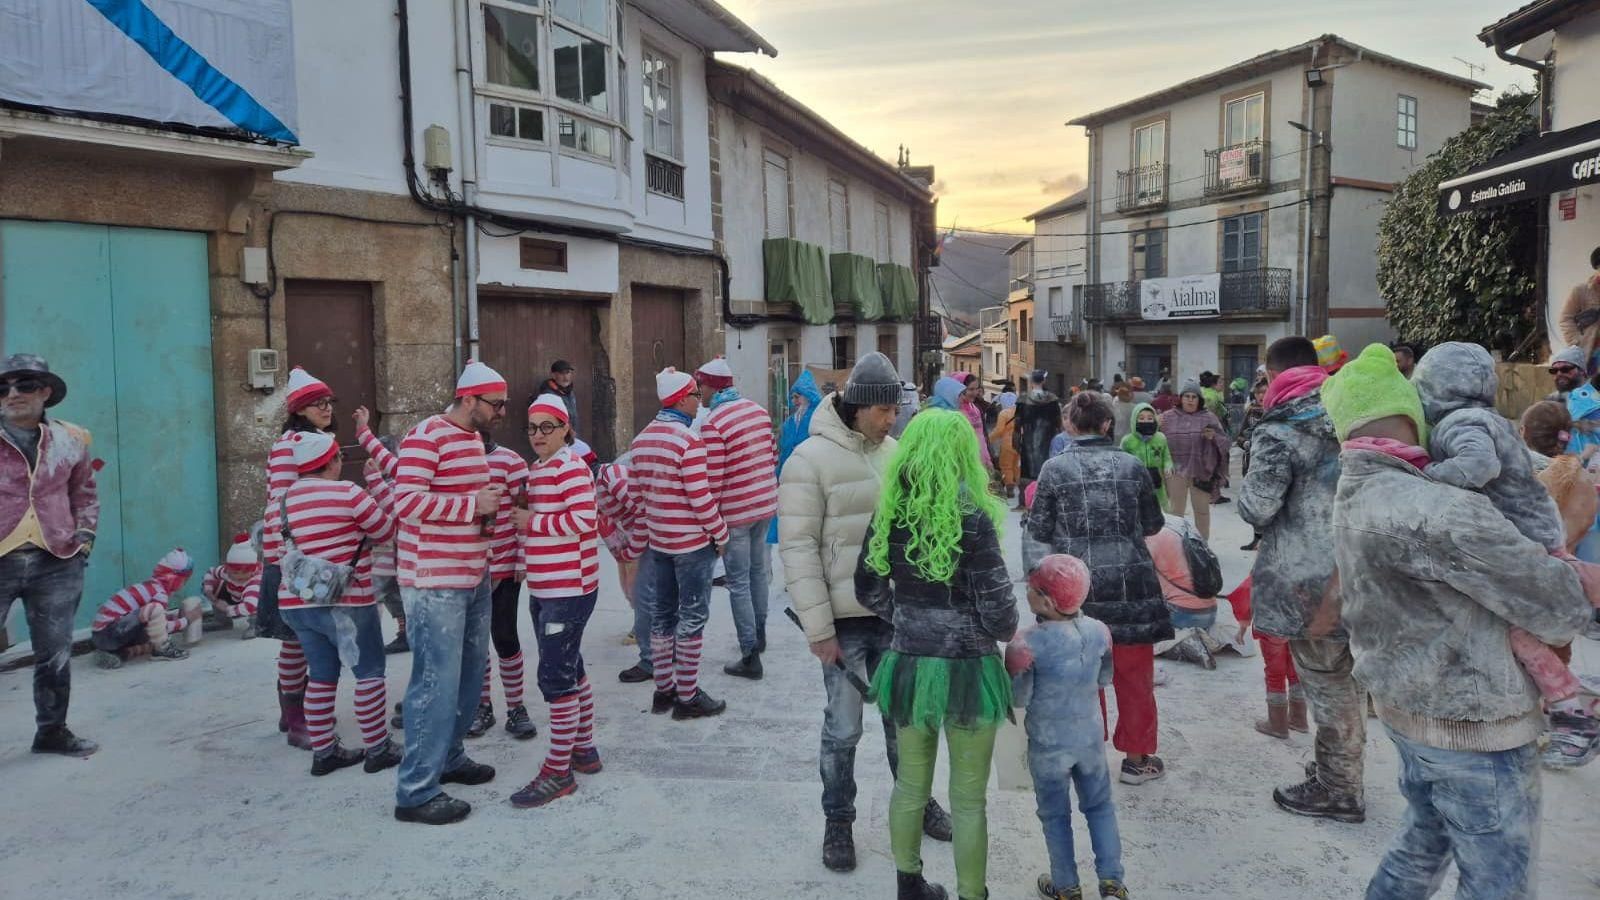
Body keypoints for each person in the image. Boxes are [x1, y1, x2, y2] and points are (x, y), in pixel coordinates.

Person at [1322, 343, 1590, 899]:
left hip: (1403, 705)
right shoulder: (1443, 509)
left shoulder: (1355, 490)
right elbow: (1560, 610)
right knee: (1498, 879)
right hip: (1473, 726)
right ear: (1413, 415)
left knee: (1424, 838)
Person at [779, 351, 951, 873]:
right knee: (844, 729)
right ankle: (839, 821)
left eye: (895, 411)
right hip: (843, 623)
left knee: (908, 722)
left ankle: (917, 802)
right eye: (883, 411)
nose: (891, 419)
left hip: (897, 618)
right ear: (858, 407)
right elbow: (797, 549)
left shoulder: (895, 453)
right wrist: (818, 630)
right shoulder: (807, 461)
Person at [855, 409, 1017, 900]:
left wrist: (904, 615)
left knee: (910, 787)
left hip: (908, 665)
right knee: (968, 800)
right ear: (962, 455)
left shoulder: (891, 513)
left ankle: (909, 885)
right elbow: (1002, 616)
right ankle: (973, 893)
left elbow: (866, 588)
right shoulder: (974, 519)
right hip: (970, 670)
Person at [1413, 343, 1600, 761]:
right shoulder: (1484, 418)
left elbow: (1477, 468)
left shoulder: (1463, 422)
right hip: (1530, 532)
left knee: (1518, 630)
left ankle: (1572, 713)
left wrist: (1423, 477)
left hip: (1522, 539)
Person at [1235, 336, 1361, 821]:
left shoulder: (1282, 428)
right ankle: (1342, 769)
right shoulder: (1354, 410)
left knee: (1327, 681)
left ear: (1273, 374)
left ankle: (1339, 788)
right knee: (1352, 678)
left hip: (1311, 578)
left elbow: (1256, 505)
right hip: (1366, 564)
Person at [1025, 391, 1171, 786]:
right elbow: (1153, 523)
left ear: (1070, 424)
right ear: (1108, 425)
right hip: (1132, 585)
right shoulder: (1132, 466)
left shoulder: (1054, 470)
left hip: (1077, 587)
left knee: (1084, 678)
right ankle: (1137, 759)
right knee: (1134, 676)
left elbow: (1037, 531)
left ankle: (1088, 760)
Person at [391, 360, 508, 826]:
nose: (502, 412)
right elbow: (406, 502)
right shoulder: (426, 436)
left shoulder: (472, 439)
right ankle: (416, 791)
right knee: (434, 685)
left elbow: (460, 501)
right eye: (495, 404)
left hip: (471, 574)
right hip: (434, 581)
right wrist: (471, 504)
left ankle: (451, 756)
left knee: (466, 678)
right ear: (469, 399)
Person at [267, 430, 402, 776]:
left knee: (322, 675)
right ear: (331, 461)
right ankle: (378, 748)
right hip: (348, 603)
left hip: (297, 604)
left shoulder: (281, 503)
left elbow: (273, 553)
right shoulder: (349, 493)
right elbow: (387, 531)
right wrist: (376, 482)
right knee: (369, 672)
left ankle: (324, 751)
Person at [1007, 555, 1130, 900]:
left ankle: (1066, 886)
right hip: (1089, 737)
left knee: (1054, 815)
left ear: (1046, 601)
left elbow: (1020, 697)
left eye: (1032, 589)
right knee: (1100, 806)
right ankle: (1112, 882)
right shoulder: (1099, 632)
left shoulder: (1024, 645)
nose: (1027, 592)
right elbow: (1104, 677)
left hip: (1048, 744)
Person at [0, 353, 99, 757]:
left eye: (23, 385)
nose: (11, 394)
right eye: (3, 387)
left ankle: (52, 731)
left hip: (57, 558)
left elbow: (85, 493)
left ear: (44, 391)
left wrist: (84, 538)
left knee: (55, 652)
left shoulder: (71, 439)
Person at [508, 395, 603, 807]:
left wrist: (533, 522)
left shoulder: (570, 467)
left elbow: (586, 520)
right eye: (532, 428)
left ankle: (558, 771)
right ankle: (583, 749)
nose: (538, 436)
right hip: (548, 588)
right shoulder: (539, 468)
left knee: (556, 679)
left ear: (565, 428)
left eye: (547, 427)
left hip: (569, 589)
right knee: (570, 667)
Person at [630, 367, 729, 720]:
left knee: (662, 615)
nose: (698, 402)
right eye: (694, 396)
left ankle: (664, 690)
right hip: (690, 545)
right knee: (692, 618)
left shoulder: (640, 441)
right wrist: (720, 533)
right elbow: (700, 499)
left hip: (660, 544)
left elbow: (637, 495)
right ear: (681, 399)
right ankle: (687, 697)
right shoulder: (688, 442)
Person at [260, 365, 337, 752]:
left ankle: (301, 707)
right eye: (317, 403)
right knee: (296, 639)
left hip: (314, 550)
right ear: (299, 409)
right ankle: (294, 715)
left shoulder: (318, 438)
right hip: (293, 555)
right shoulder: (289, 445)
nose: (326, 407)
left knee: (307, 637)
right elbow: (281, 501)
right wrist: (284, 556)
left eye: (328, 402)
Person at [695, 357, 779, 680]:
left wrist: (712, 526)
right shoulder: (757, 411)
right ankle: (759, 634)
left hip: (736, 513)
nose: (699, 392)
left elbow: (713, 480)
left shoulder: (714, 423)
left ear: (711, 386)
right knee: (758, 572)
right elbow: (772, 454)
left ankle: (749, 654)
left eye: (700, 386)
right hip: (765, 505)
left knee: (738, 581)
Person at [466, 429, 536, 740]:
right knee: (476, 641)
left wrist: (522, 558)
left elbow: (523, 509)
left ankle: (516, 707)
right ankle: (481, 706)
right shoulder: (456, 461)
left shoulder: (511, 462)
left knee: (505, 635)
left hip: (506, 566)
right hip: (470, 567)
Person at [354, 411, 409, 654]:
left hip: (388, 555)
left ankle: (366, 640)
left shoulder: (396, 484)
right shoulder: (380, 483)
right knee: (393, 597)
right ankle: (404, 632)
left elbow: (393, 511)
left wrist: (374, 483)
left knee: (372, 596)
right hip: (385, 554)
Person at [90, 549, 202, 667]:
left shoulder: (152, 587)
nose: (184, 583)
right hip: (107, 634)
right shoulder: (159, 593)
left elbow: (155, 622)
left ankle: (118, 653)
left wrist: (175, 616)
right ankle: (162, 650)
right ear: (174, 578)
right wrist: (188, 620)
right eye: (184, 579)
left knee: (153, 631)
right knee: (156, 611)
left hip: (103, 634)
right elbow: (163, 627)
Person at [1158, 382, 1228, 540]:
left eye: (1194, 397)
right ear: (1181, 398)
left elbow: (1224, 442)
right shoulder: (1168, 417)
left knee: (1202, 511)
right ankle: (1176, 545)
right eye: (1187, 396)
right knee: (1175, 512)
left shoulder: (1209, 417)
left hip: (1201, 471)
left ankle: (1202, 547)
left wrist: (1213, 437)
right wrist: (1155, 423)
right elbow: (1156, 439)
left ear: (1199, 400)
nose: (1190, 400)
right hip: (1175, 470)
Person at [1015, 369, 1062, 510]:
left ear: (1031, 381)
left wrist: (1016, 439)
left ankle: (1024, 502)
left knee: (1027, 470)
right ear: (1044, 381)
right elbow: (1058, 422)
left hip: (1028, 441)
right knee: (1046, 468)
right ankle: (1046, 502)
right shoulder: (1052, 399)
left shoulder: (1023, 399)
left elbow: (1017, 423)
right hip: (1048, 439)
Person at [201, 532, 260, 637]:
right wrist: (209, 592)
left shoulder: (255, 580)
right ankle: (222, 621)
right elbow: (210, 573)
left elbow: (250, 606)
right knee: (214, 584)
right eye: (235, 572)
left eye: (245, 572)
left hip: (253, 601)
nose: (239, 576)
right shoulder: (225, 571)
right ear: (228, 568)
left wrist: (227, 609)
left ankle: (256, 626)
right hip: (235, 596)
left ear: (253, 569)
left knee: (258, 601)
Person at [1235, 378, 1269, 551]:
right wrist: (1247, 443)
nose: (1262, 396)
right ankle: (1257, 538)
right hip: (1251, 463)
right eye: (1259, 392)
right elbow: (1239, 436)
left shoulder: (1277, 410)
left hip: (1271, 465)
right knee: (1255, 503)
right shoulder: (1252, 412)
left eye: (1265, 391)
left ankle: (1268, 539)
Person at [1119, 403, 1171, 510]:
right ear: (1134, 420)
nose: (1146, 421)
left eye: (1150, 418)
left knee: (1161, 510)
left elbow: (1167, 457)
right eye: (1141, 418)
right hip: (1136, 483)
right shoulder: (1127, 441)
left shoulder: (1161, 438)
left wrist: (1168, 467)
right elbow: (1120, 463)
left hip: (1156, 482)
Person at [1557, 246, 1600, 370]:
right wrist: (1577, 342)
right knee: (1591, 388)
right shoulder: (1581, 291)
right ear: (1597, 268)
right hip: (1591, 354)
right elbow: (1565, 319)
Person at [537, 360, 580, 439]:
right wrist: (568, 431)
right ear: (553, 375)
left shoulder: (570, 392)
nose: (566, 377)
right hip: (557, 439)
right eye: (562, 373)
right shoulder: (548, 395)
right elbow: (550, 419)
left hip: (571, 438)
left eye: (568, 373)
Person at [990, 393, 1021, 498]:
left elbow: (999, 430)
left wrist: (989, 439)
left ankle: (1009, 488)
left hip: (1007, 443)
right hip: (1019, 443)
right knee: (1015, 465)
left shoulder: (1004, 413)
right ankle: (1020, 486)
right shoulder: (1020, 411)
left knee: (1006, 466)